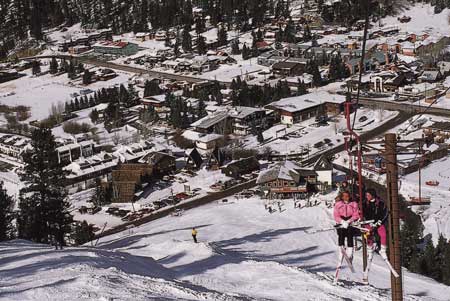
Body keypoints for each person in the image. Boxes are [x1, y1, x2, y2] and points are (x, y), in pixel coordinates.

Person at [362, 189, 388, 281]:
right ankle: (370, 246)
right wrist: (367, 221)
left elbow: (384, 213)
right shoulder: (365, 203)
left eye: (368, 195)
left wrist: (378, 222)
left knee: (383, 233)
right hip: (369, 223)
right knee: (368, 233)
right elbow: (363, 213)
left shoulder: (380, 203)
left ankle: (383, 249)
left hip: (378, 222)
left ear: (372, 195)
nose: (367, 197)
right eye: (366, 195)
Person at [333, 191, 360, 262]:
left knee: (350, 234)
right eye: (344, 196)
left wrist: (349, 221)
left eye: (347, 196)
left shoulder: (354, 204)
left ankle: (350, 253)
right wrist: (342, 222)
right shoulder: (338, 204)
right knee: (341, 234)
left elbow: (356, 215)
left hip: (350, 220)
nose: (346, 198)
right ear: (342, 197)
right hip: (341, 220)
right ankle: (341, 250)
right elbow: (336, 215)